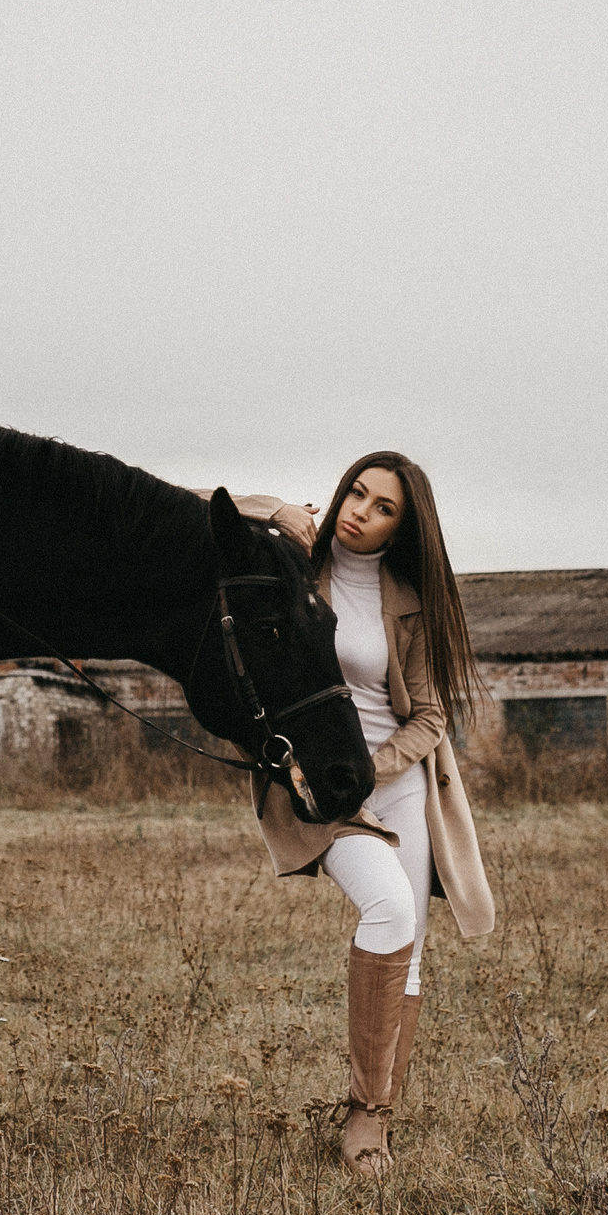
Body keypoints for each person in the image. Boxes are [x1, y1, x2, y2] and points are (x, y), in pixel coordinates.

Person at [234, 453, 494, 1175]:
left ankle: (369, 1118)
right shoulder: (294, 564)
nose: (361, 511)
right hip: (322, 787)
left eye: (384, 508)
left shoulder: (408, 598)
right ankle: (364, 1112)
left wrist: (374, 770)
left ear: (402, 530)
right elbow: (198, 504)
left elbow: (431, 715)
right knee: (385, 906)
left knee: (407, 944)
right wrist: (274, 510)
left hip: (396, 783)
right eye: (358, 492)